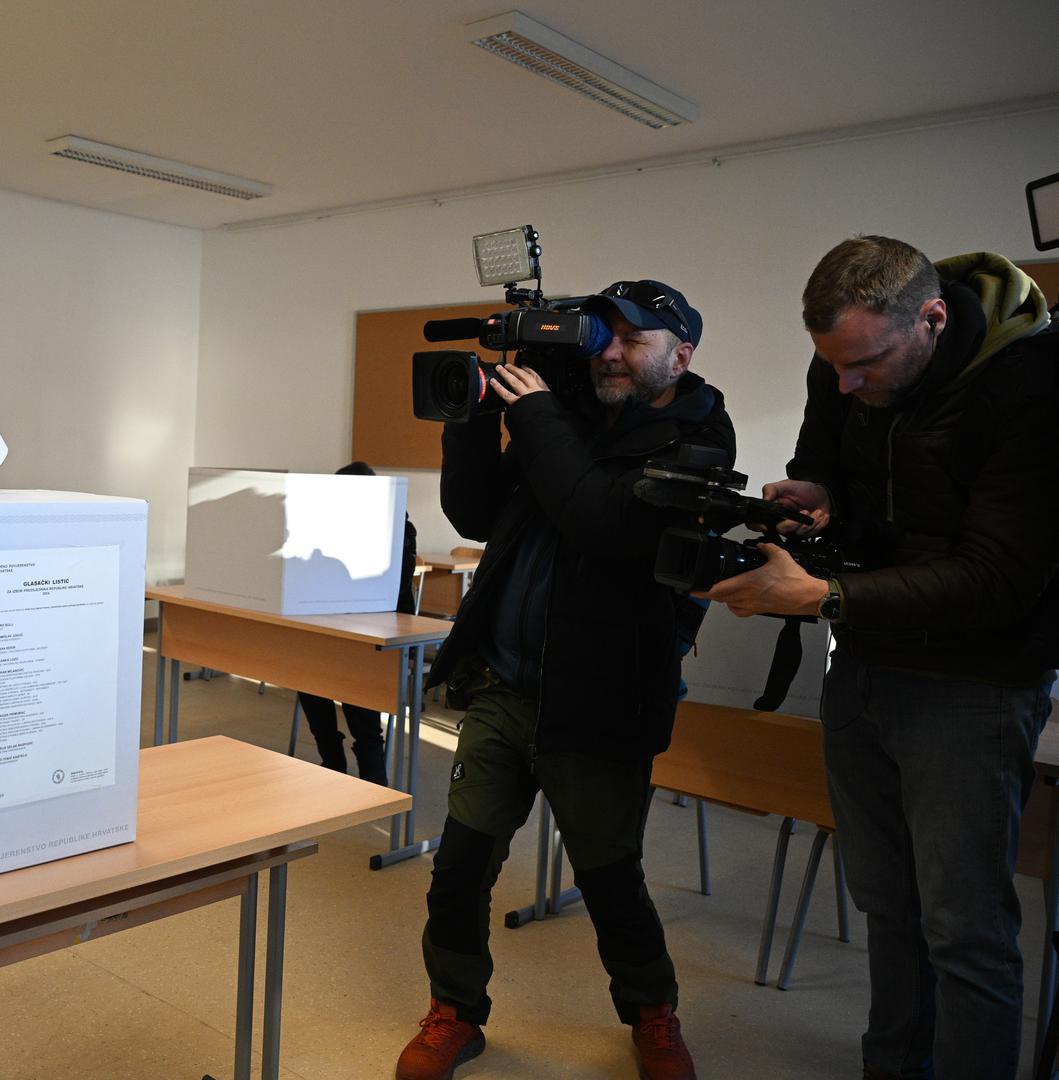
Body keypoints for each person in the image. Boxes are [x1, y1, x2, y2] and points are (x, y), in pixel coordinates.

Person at [703, 236, 1058, 1080]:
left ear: (931, 319)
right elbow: (827, 467)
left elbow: (998, 577)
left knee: (963, 929)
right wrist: (815, 496)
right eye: (832, 369)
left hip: (974, 683)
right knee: (886, 907)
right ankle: (892, 1067)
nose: (846, 387)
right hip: (862, 664)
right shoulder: (841, 365)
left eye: (865, 365)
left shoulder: (1034, 383)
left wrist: (823, 599)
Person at [396, 281, 733, 1080]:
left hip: (603, 699)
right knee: (458, 871)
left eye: (633, 340)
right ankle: (454, 1011)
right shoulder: (568, 410)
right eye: (600, 335)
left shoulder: (695, 436)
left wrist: (538, 416)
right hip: (504, 687)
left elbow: (606, 522)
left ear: (679, 356)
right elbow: (479, 515)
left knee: (610, 881)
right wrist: (478, 414)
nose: (608, 353)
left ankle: (652, 1014)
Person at [295, 460, 417, 785]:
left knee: (359, 700)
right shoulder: (327, 528)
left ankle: (373, 779)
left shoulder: (398, 527)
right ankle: (332, 760)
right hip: (332, 625)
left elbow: (394, 588)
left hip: (378, 631)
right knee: (307, 679)